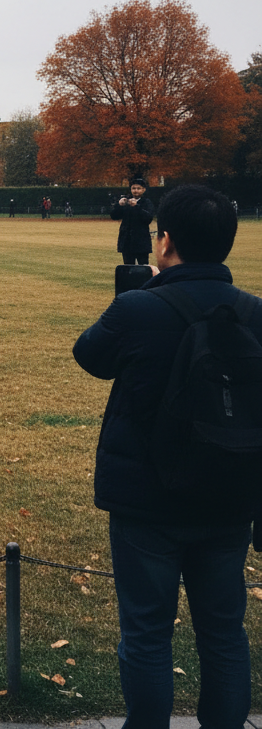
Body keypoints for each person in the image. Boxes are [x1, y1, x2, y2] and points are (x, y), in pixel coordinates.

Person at [73, 184, 261, 727]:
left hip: (147, 495)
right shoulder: (254, 314)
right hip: (230, 491)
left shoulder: (138, 308)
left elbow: (90, 355)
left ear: (165, 242)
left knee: (148, 631)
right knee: (224, 631)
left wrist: (144, 297)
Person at [111, 177, 155, 264]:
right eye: (133, 188)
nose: (136, 191)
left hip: (141, 241)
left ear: (143, 190)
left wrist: (137, 207)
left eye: (138, 188)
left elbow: (148, 218)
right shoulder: (126, 202)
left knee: (143, 267)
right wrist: (119, 205)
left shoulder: (146, 203)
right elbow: (114, 216)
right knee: (128, 268)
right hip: (127, 241)